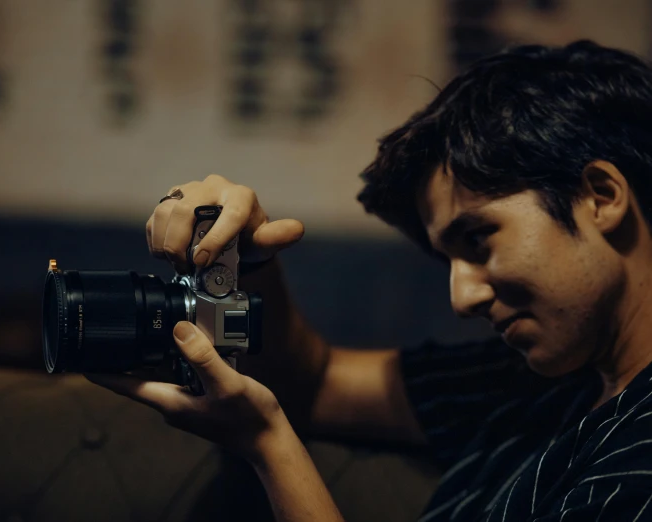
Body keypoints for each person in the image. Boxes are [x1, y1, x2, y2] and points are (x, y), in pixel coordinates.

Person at [86, 40, 652, 521]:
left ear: (599, 198)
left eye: (478, 240)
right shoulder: (545, 380)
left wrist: (268, 445)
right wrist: (246, 260)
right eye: (447, 260)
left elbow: (291, 404)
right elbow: (313, 381)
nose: (462, 297)